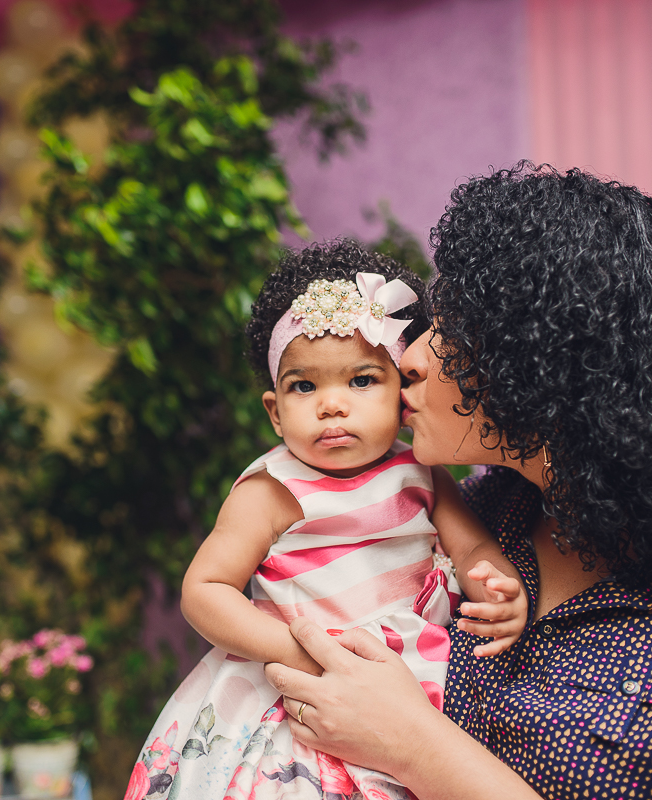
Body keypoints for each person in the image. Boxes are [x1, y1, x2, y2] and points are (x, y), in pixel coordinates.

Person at [263, 163, 652, 799]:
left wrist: (415, 746)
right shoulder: (471, 518)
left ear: (546, 361)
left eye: (451, 332)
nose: (411, 357)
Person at [123, 240, 529, 800]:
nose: (331, 404)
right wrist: (299, 650)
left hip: (409, 681)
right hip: (294, 690)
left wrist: (498, 589)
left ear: (402, 397)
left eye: (361, 381)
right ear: (275, 411)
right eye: (304, 386)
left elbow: (472, 549)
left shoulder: (422, 472)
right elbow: (205, 590)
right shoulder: (272, 490)